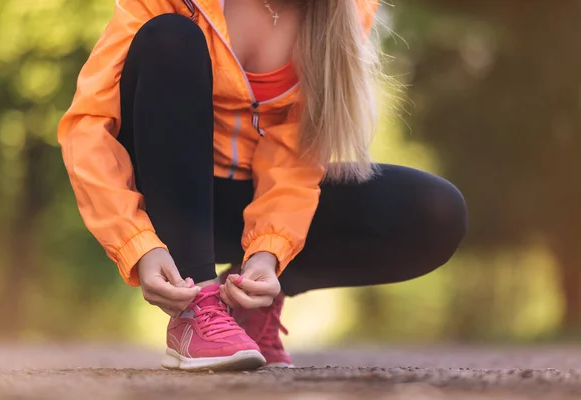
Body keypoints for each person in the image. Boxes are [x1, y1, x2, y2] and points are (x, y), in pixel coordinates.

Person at [57, 0, 467, 371]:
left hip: (251, 201)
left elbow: (294, 151)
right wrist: (137, 243)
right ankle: (196, 305)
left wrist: (267, 254)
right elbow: (89, 126)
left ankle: (247, 302)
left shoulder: (347, 9)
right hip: (164, 195)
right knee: (170, 36)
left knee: (435, 212)